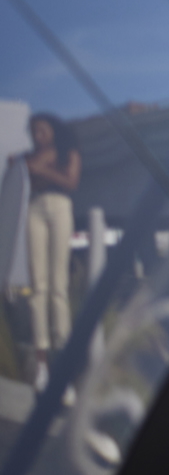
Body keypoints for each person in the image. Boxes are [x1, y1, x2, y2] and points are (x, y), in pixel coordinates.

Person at [18, 113, 79, 388]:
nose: (37, 136)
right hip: (34, 208)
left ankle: (63, 360)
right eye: (33, 132)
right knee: (37, 285)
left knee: (58, 286)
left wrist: (42, 169)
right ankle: (41, 361)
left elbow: (70, 182)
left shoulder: (68, 151)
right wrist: (37, 167)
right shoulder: (29, 156)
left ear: (53, 130)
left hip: (60, 206)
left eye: (41, 130)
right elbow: (25, 173)